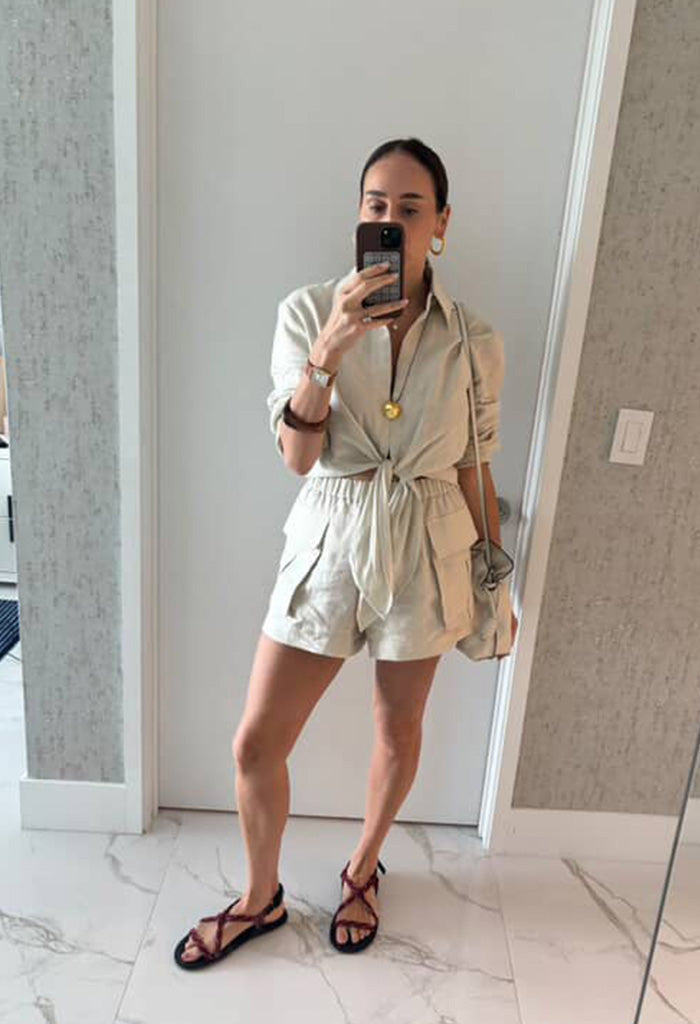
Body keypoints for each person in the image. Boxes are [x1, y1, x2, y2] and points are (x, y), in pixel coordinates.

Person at [174, 137, 519, 969]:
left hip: (429, 540)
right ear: (358, 214)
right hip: (329, 535)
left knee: (398, 729)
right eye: (375, 205)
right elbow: (297, 458)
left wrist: (495, 578)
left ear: (441, 224)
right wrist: (329, 352)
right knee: (257, 742)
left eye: (410, 208)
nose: (390, 219)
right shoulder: (307, 312)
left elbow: (474, 464)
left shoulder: (474, 340)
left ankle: (363, 869)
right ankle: (260, 897)